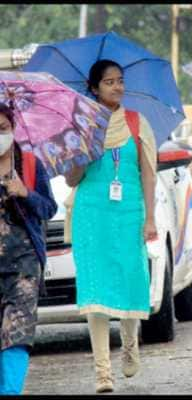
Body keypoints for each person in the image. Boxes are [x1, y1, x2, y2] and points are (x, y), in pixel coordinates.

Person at [65, 59, 158, 393]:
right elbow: (72, 178)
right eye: (109, 82)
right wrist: (86, 150)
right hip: (92, 216)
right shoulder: (81, 125)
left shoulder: (136, 122)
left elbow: (148, 173)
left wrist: (150, 218)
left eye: (120, 81)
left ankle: (130, 342)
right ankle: (103, 373)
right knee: (95, 288)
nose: (117, 87)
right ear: (94, 88)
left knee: (131, 279)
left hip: (129, 213)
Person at [0, 104, 57, 394]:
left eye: (3, 129)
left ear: (13, 129)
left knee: (18, 333)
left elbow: (49, 208)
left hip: (23, 267)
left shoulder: (31, 164)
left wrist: (25, 194)